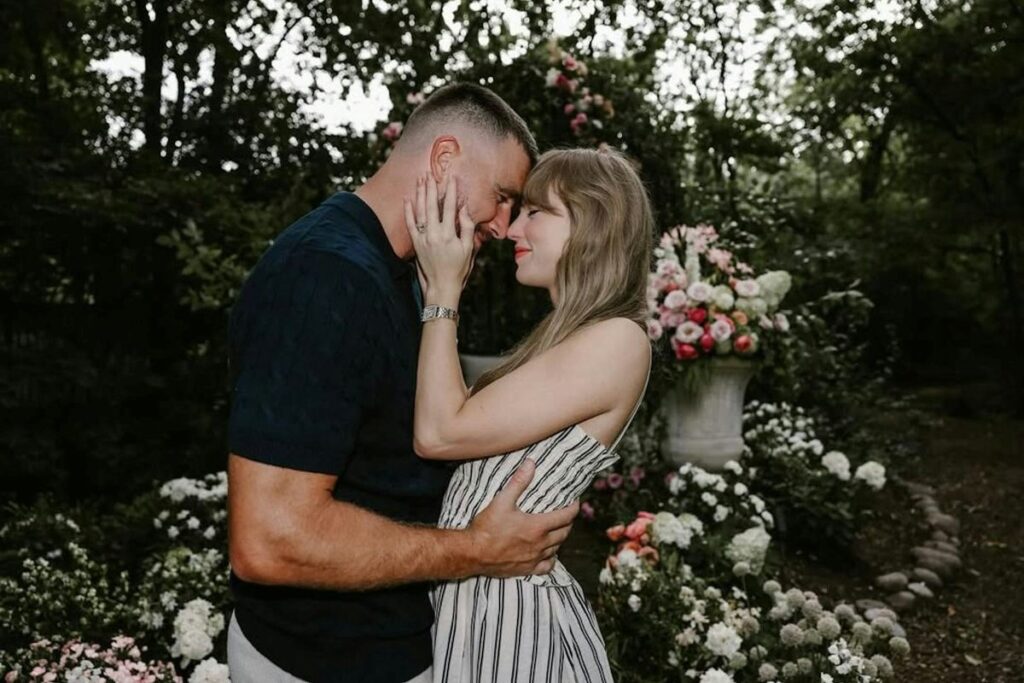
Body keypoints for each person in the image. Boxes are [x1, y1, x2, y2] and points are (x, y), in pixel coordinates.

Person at [225, 83, 580, 683]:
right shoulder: (326, 275)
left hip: (382, 646)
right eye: (501, 198)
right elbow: (270, 540)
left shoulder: (401, 272)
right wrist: (477, 550)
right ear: (444, 158)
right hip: (320, 663)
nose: (503, 226)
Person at [402, 147, 654, 682]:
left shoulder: (618, 339)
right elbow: (454, 417)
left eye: (536, 212)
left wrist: (444, 292)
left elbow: (439, 432)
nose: (513, 229)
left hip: (511, 617)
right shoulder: (565, 339)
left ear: (592, 222)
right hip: (479, 601)